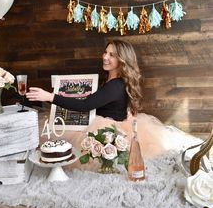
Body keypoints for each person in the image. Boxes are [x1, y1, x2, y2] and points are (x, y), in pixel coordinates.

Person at [26, 39, 201, 171]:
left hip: (109, 128)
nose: (105, 57)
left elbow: (86, 105)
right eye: (105, 52)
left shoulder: (115, 85)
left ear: (122, 60)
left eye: (112, 55)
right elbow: (95, 99)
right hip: (114, 120)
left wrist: (50, 96)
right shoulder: (114, 80)